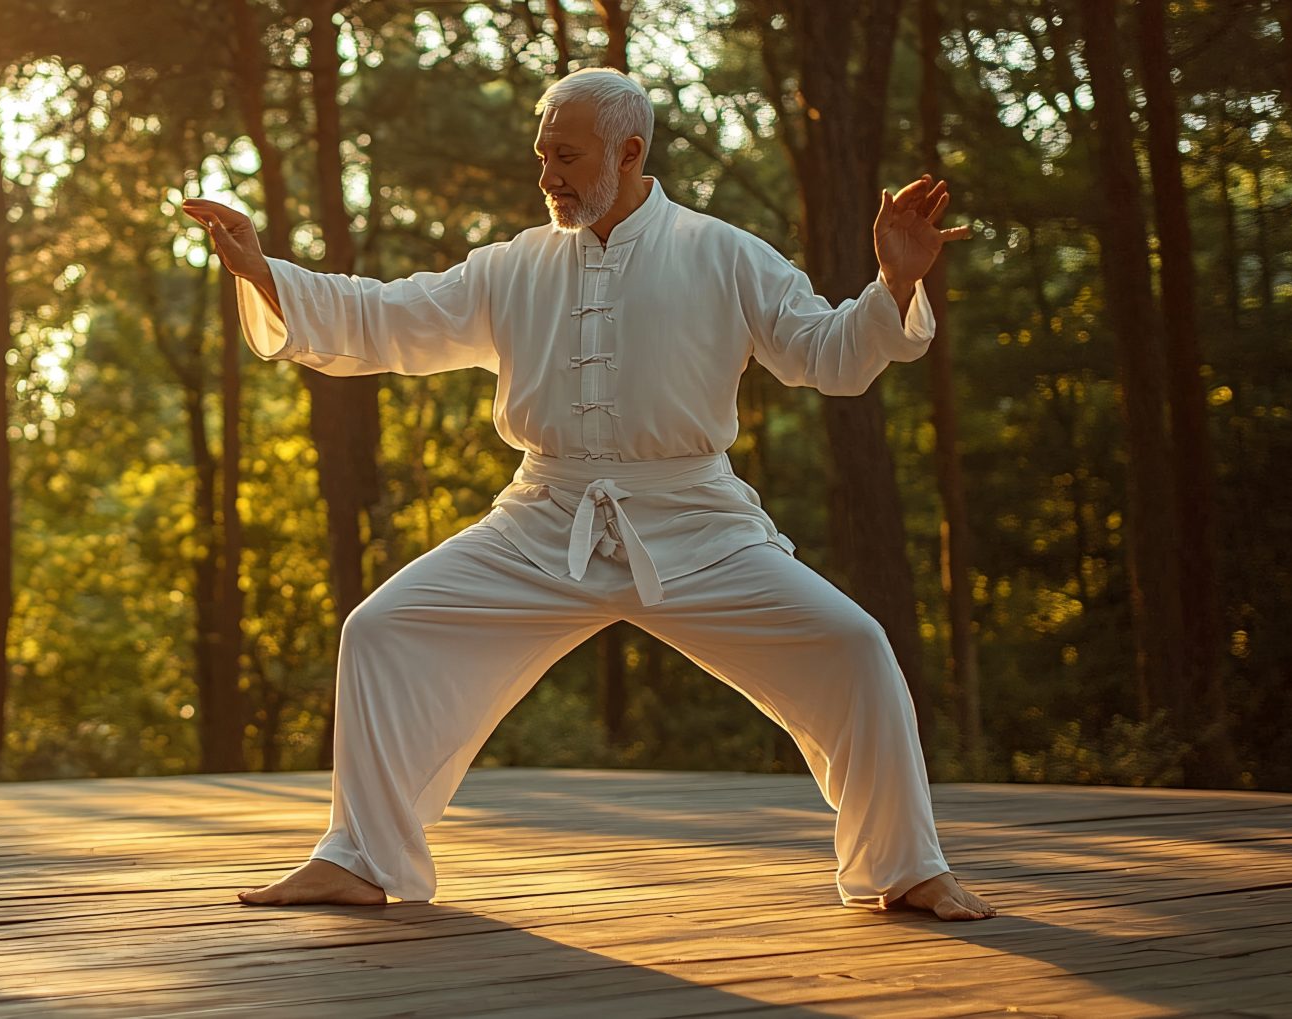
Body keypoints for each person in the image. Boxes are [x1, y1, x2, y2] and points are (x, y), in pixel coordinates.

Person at [181, 67, 995, 921]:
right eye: (542, 156)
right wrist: (265, 271)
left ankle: (906, 867)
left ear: (630, 151)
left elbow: (827, 354)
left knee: (854, 646)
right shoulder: (511, 266)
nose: (548, 176)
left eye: (565, 156)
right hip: (542, 519)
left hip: (696, 522)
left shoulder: (724, 254)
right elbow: (388, 316)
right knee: (383, 629)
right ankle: (356, 855)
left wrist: (895, 284)